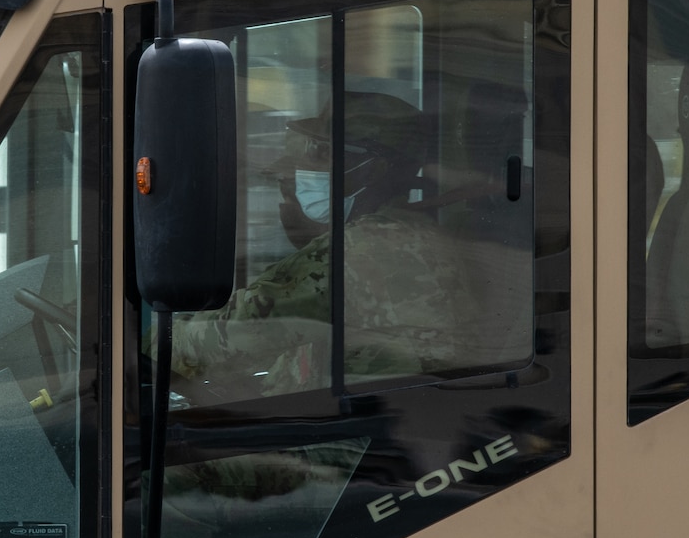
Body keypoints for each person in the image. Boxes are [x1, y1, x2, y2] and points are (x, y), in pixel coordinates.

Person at [170, 90, 480, 404]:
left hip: (366, 439)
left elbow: (214, 341)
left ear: (372, 170)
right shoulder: (407, 233)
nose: (287, 174)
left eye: (319, 153)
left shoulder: (362, 249)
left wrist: (134, 350)